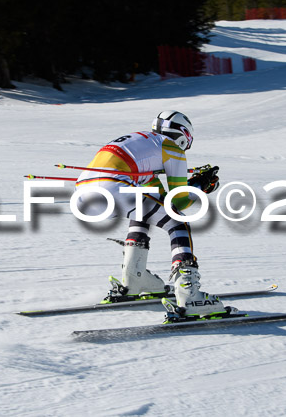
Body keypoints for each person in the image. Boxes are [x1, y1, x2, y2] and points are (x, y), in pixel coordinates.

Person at [74, 110, 226, 319]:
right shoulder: (171, 147)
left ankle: (134, 279)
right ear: (183, 136)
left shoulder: (144, 142)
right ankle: (189, 296)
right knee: (177, 223)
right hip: (113, 187)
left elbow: (161, 200)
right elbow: (178, 202)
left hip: (84, 195)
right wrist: (201, 185)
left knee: (144, 211)